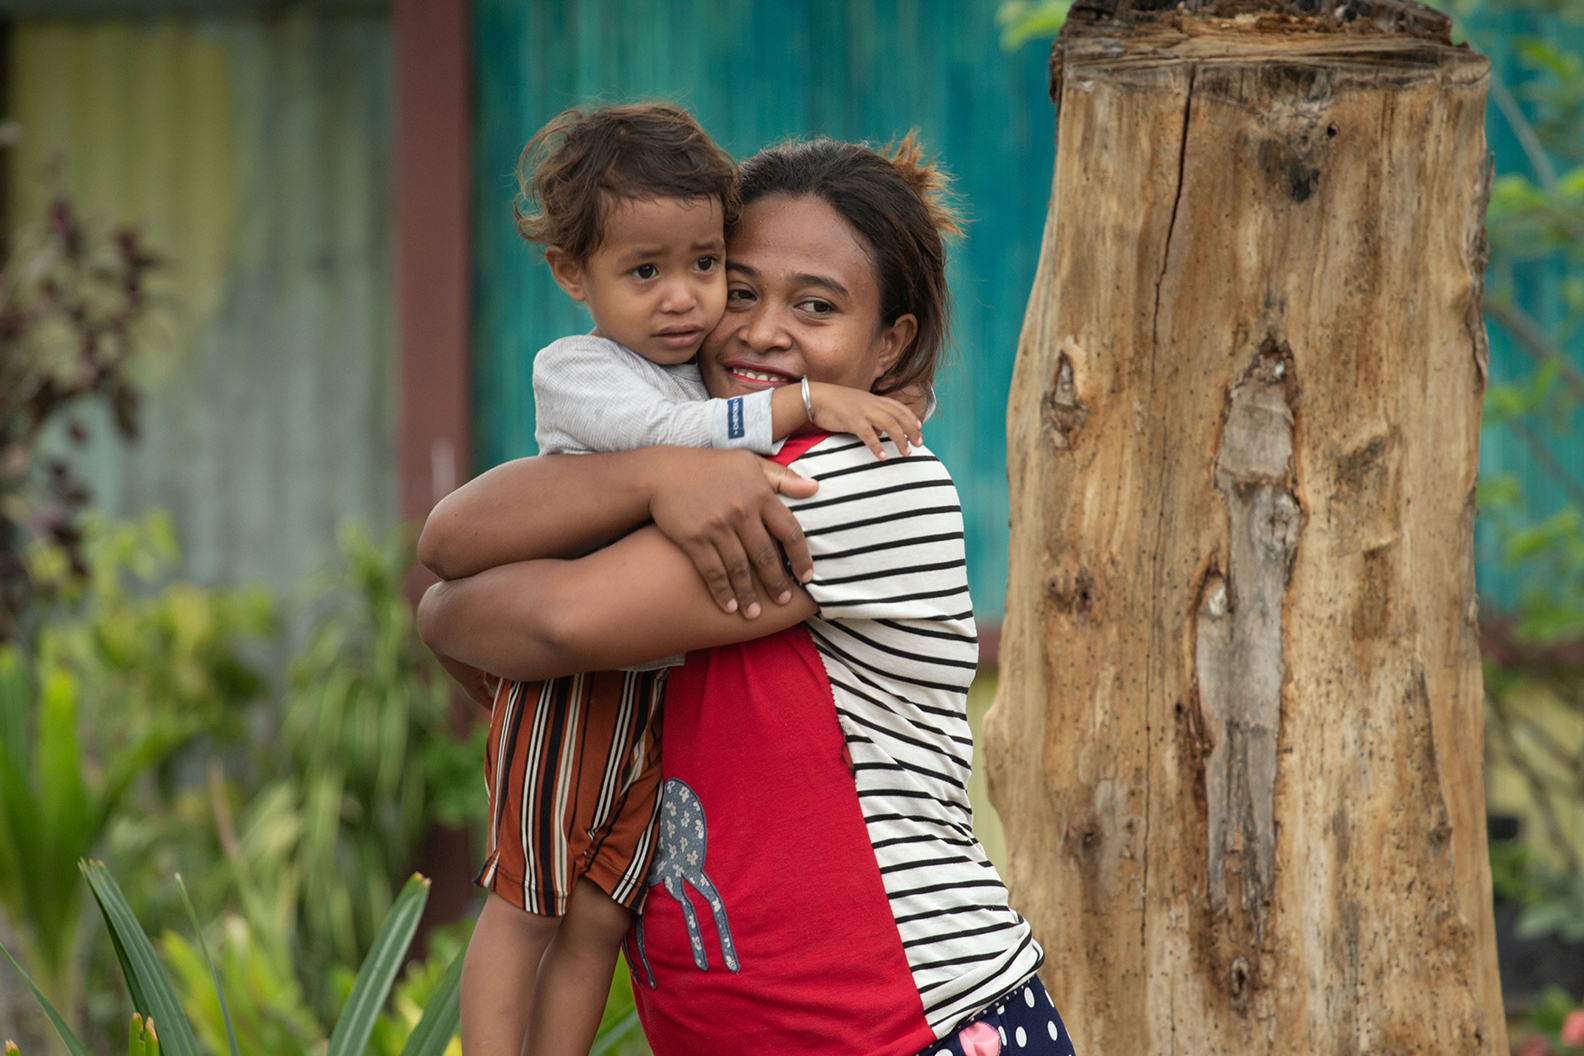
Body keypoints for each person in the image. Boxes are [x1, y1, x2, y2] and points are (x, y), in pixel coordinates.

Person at [419, 136, 1077, 1056]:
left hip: (906, 1030)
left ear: (890, 345)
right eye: (740, 290)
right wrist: (655, 476)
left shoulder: (863, 480)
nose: (764, 330)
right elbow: (449, 541)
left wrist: (453, 611)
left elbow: (547, 619)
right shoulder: (709, 464)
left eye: (816, 306)